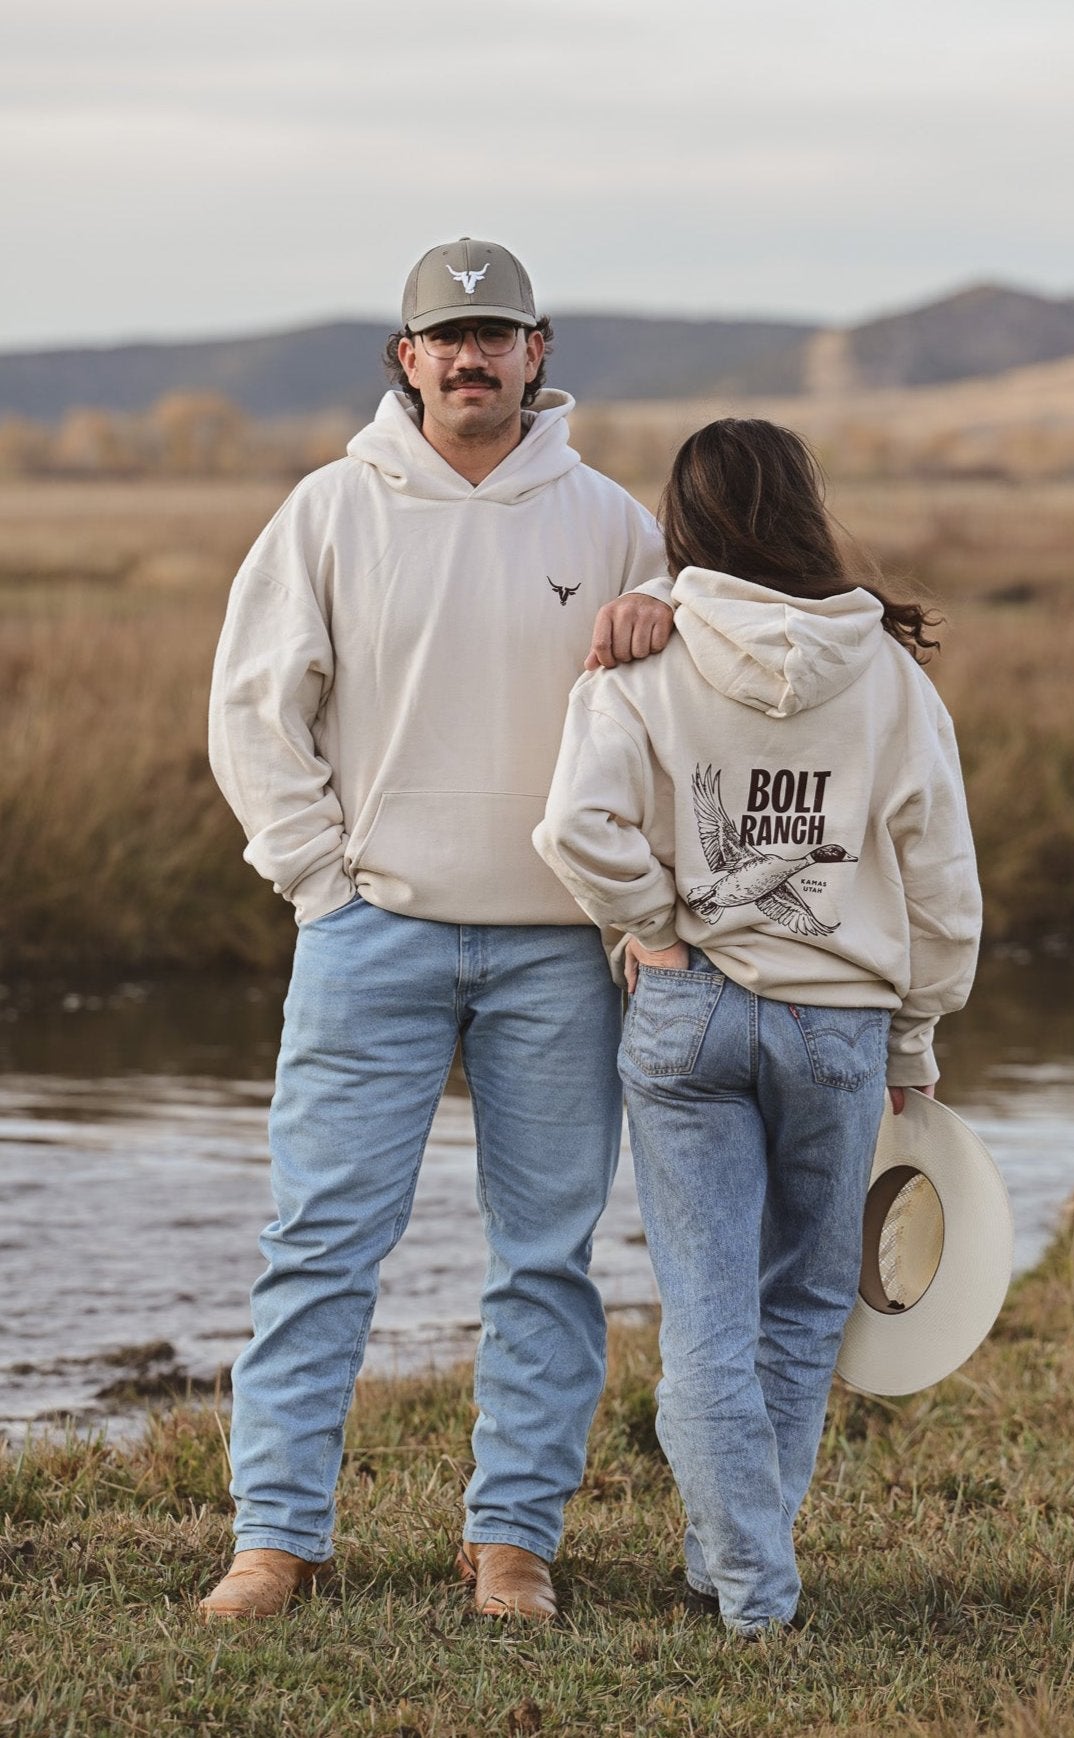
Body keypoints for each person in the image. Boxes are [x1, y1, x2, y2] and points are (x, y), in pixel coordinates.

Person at [203, 238, 673, 1621]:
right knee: (319, 1242)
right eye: (445, 337)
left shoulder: (611, 525)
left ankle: (512, 1540)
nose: (471, 358)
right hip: (372, 934)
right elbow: (253, 709)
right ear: (404, 359)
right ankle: (275, 1539)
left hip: (555, 950)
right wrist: (318, 881)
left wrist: (672, 613)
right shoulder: (329, 511)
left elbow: (676, 724)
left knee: (545, 1255)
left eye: (496, 334)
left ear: (538, 351)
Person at [535, 419, 982, 1637]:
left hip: (688, 1017)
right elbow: (943, 888)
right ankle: (753, 1582)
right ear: (804, 508)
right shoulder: (889, 672)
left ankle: (738, 1572)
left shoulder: (643, 658)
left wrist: (657, 930)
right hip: (840, 1028)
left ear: (680, 524)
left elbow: (575, 828)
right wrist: (917, 1041)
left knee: (709, 1320)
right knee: (797, 1311)